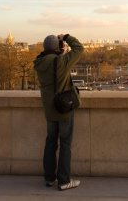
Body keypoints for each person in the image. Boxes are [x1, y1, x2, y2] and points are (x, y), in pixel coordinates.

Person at [34, 33, 84, 191]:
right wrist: (66, 37)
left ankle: (49, 178)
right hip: (63, 109)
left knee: (50, 143)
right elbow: (79, 48)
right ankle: (63, 180)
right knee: (65, 144)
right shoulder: (61, 62)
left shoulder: (39, 63)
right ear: (59, 47)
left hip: (49, 109)